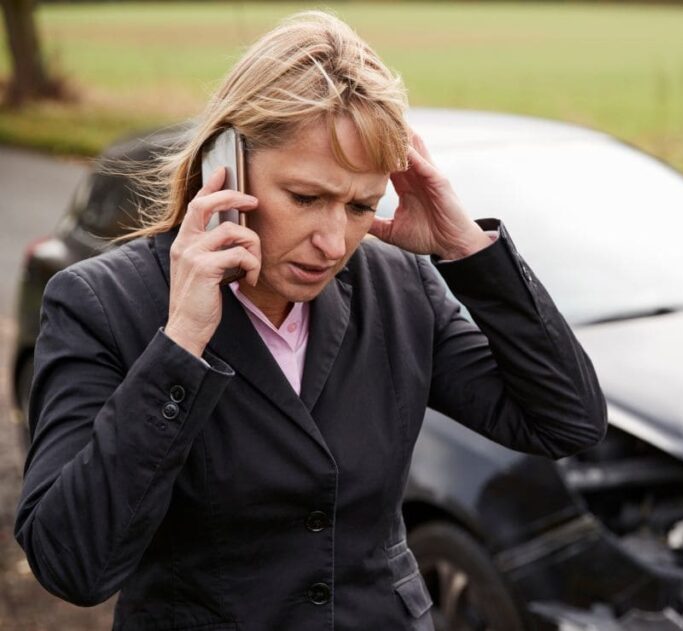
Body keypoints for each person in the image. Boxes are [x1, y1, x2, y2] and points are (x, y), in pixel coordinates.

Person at [14, 11, 606, 631]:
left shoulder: (400, 284)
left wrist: (468, 252)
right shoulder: (100, 303)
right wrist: (180, 345)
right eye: (305, 198)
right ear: (227, 165)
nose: (332, 241)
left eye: (360, 206)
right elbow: (70, 565)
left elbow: (566, 421)